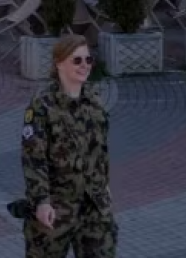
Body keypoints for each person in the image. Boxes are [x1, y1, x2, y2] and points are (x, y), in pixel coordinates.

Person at [20, 34, 117, 257]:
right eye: (77, 60)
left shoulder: (94, 102)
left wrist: (105, 188)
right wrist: (41, 202)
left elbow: (101, 151)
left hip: (94, 207)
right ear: (59, 63)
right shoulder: (42, 107)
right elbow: (33, 159)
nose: (85, 65)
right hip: (56, 209)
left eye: (88, 60)